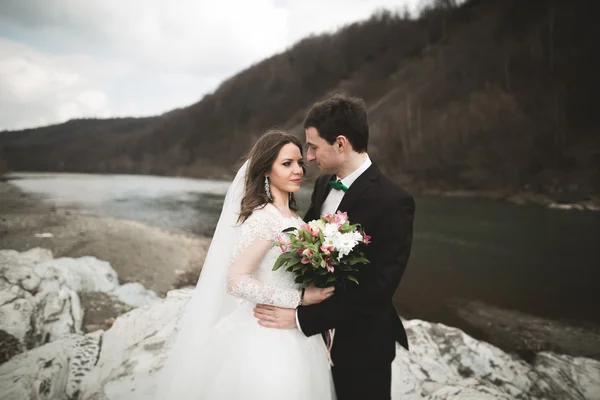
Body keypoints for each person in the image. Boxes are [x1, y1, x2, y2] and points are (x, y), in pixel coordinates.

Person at [254, 95, 416, 400]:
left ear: (340, 144)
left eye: (313, 147)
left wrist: (301, 319)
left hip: (363, 346)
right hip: (311, 347)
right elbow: (305, 249)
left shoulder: (394, 203)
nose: (310, 157)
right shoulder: (324, 184)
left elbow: (377, 290)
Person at [154, 130, 336, 399]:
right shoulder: (265, 218)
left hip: (299, 333)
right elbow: (236, 280)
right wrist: (298, 298)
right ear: (266, 170)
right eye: (286, 164)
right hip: (268, 336)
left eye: (299, 163)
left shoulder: (297, 219)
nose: (297, 170)